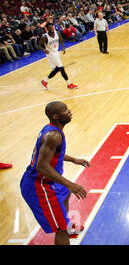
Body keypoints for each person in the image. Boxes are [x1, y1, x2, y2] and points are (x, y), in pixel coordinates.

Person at [20, 101, 89, 245]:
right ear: (56, 116)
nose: (69, 112)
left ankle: (67, 226)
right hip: (39, 186)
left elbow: (55, 154)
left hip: (46, 181)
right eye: (65, 110)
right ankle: (65, 228)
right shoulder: (53, 136)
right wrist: (70, 184)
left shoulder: (52, 130)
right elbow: (42, 166)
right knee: (61, 228)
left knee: (65, 193)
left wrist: (73, 159)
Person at [39, 23, 78, 90]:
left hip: (56, 52)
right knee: (61, 68)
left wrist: (63, 48)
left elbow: (61, 40)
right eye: (49, 28)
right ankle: (69, 84)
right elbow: (39, 45)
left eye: (51, 27)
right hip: (50, 54)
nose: (51, 28)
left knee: (57, 69)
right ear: (47, 29)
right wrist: (44, 50)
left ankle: (45, 81)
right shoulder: (44, 37)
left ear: (53, 27)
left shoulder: (57, 33)